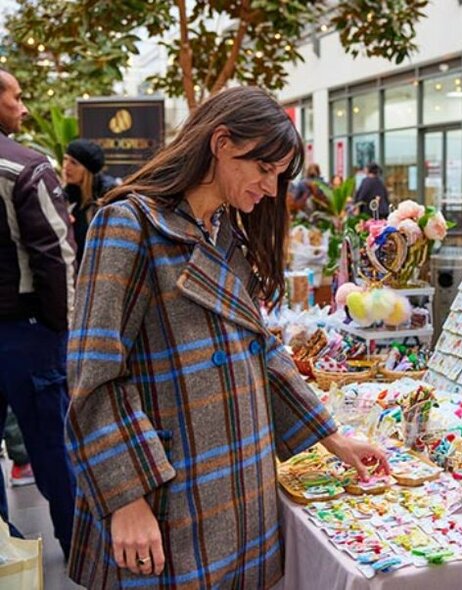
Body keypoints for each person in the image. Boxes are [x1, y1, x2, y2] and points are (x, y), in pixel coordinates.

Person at [65, 86, 389, 588]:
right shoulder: (128, 224)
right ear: (220, 143)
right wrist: (125, 496)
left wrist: (330, 436)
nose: (270, 186)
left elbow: (260, 349)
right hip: (169, 489)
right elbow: (94, 373)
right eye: (263, 169)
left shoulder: (225, 233)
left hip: (239, 484)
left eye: (279, 175)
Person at [0, 67, 77, 558]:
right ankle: (81, 549)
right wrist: (63, 329)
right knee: (55, 449)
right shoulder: (24, 166)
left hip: (24, 327)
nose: (23, 108)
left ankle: (4, 546)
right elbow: (57, 254)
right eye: (17, 97)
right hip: (29, 333)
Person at [62, 138, 118, 265]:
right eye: (65, 159)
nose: (66, 166)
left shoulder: (108, 195)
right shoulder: (67, 193)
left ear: (87, 170)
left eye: (74, 163)